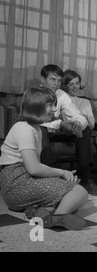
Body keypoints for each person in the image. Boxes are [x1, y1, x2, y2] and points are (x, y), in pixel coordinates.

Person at [0, 86, 88, 230]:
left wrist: (60, 179)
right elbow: (34, 168)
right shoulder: (23, 128)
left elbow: (36, 169)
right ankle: (54, 218)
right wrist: (62, 172)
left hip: (23, 182)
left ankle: (40, 211)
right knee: (80, 192)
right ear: (37, 106)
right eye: (50, 106)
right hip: (16, 185)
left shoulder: (37, 130)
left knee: (69, 195)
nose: (54, 110)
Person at [39, 64, 97, 196]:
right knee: (41, 130)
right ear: (42, 79)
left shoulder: (62, 94)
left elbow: (78, 116)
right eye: (52, 79)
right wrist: (61, 123)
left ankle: (86, 179)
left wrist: (77, 124)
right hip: (44, 130)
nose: (56, 84)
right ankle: (53, 178)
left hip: (59, 131)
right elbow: (36, 121)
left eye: (59, 81)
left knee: (85, 129)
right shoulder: (33, 93)